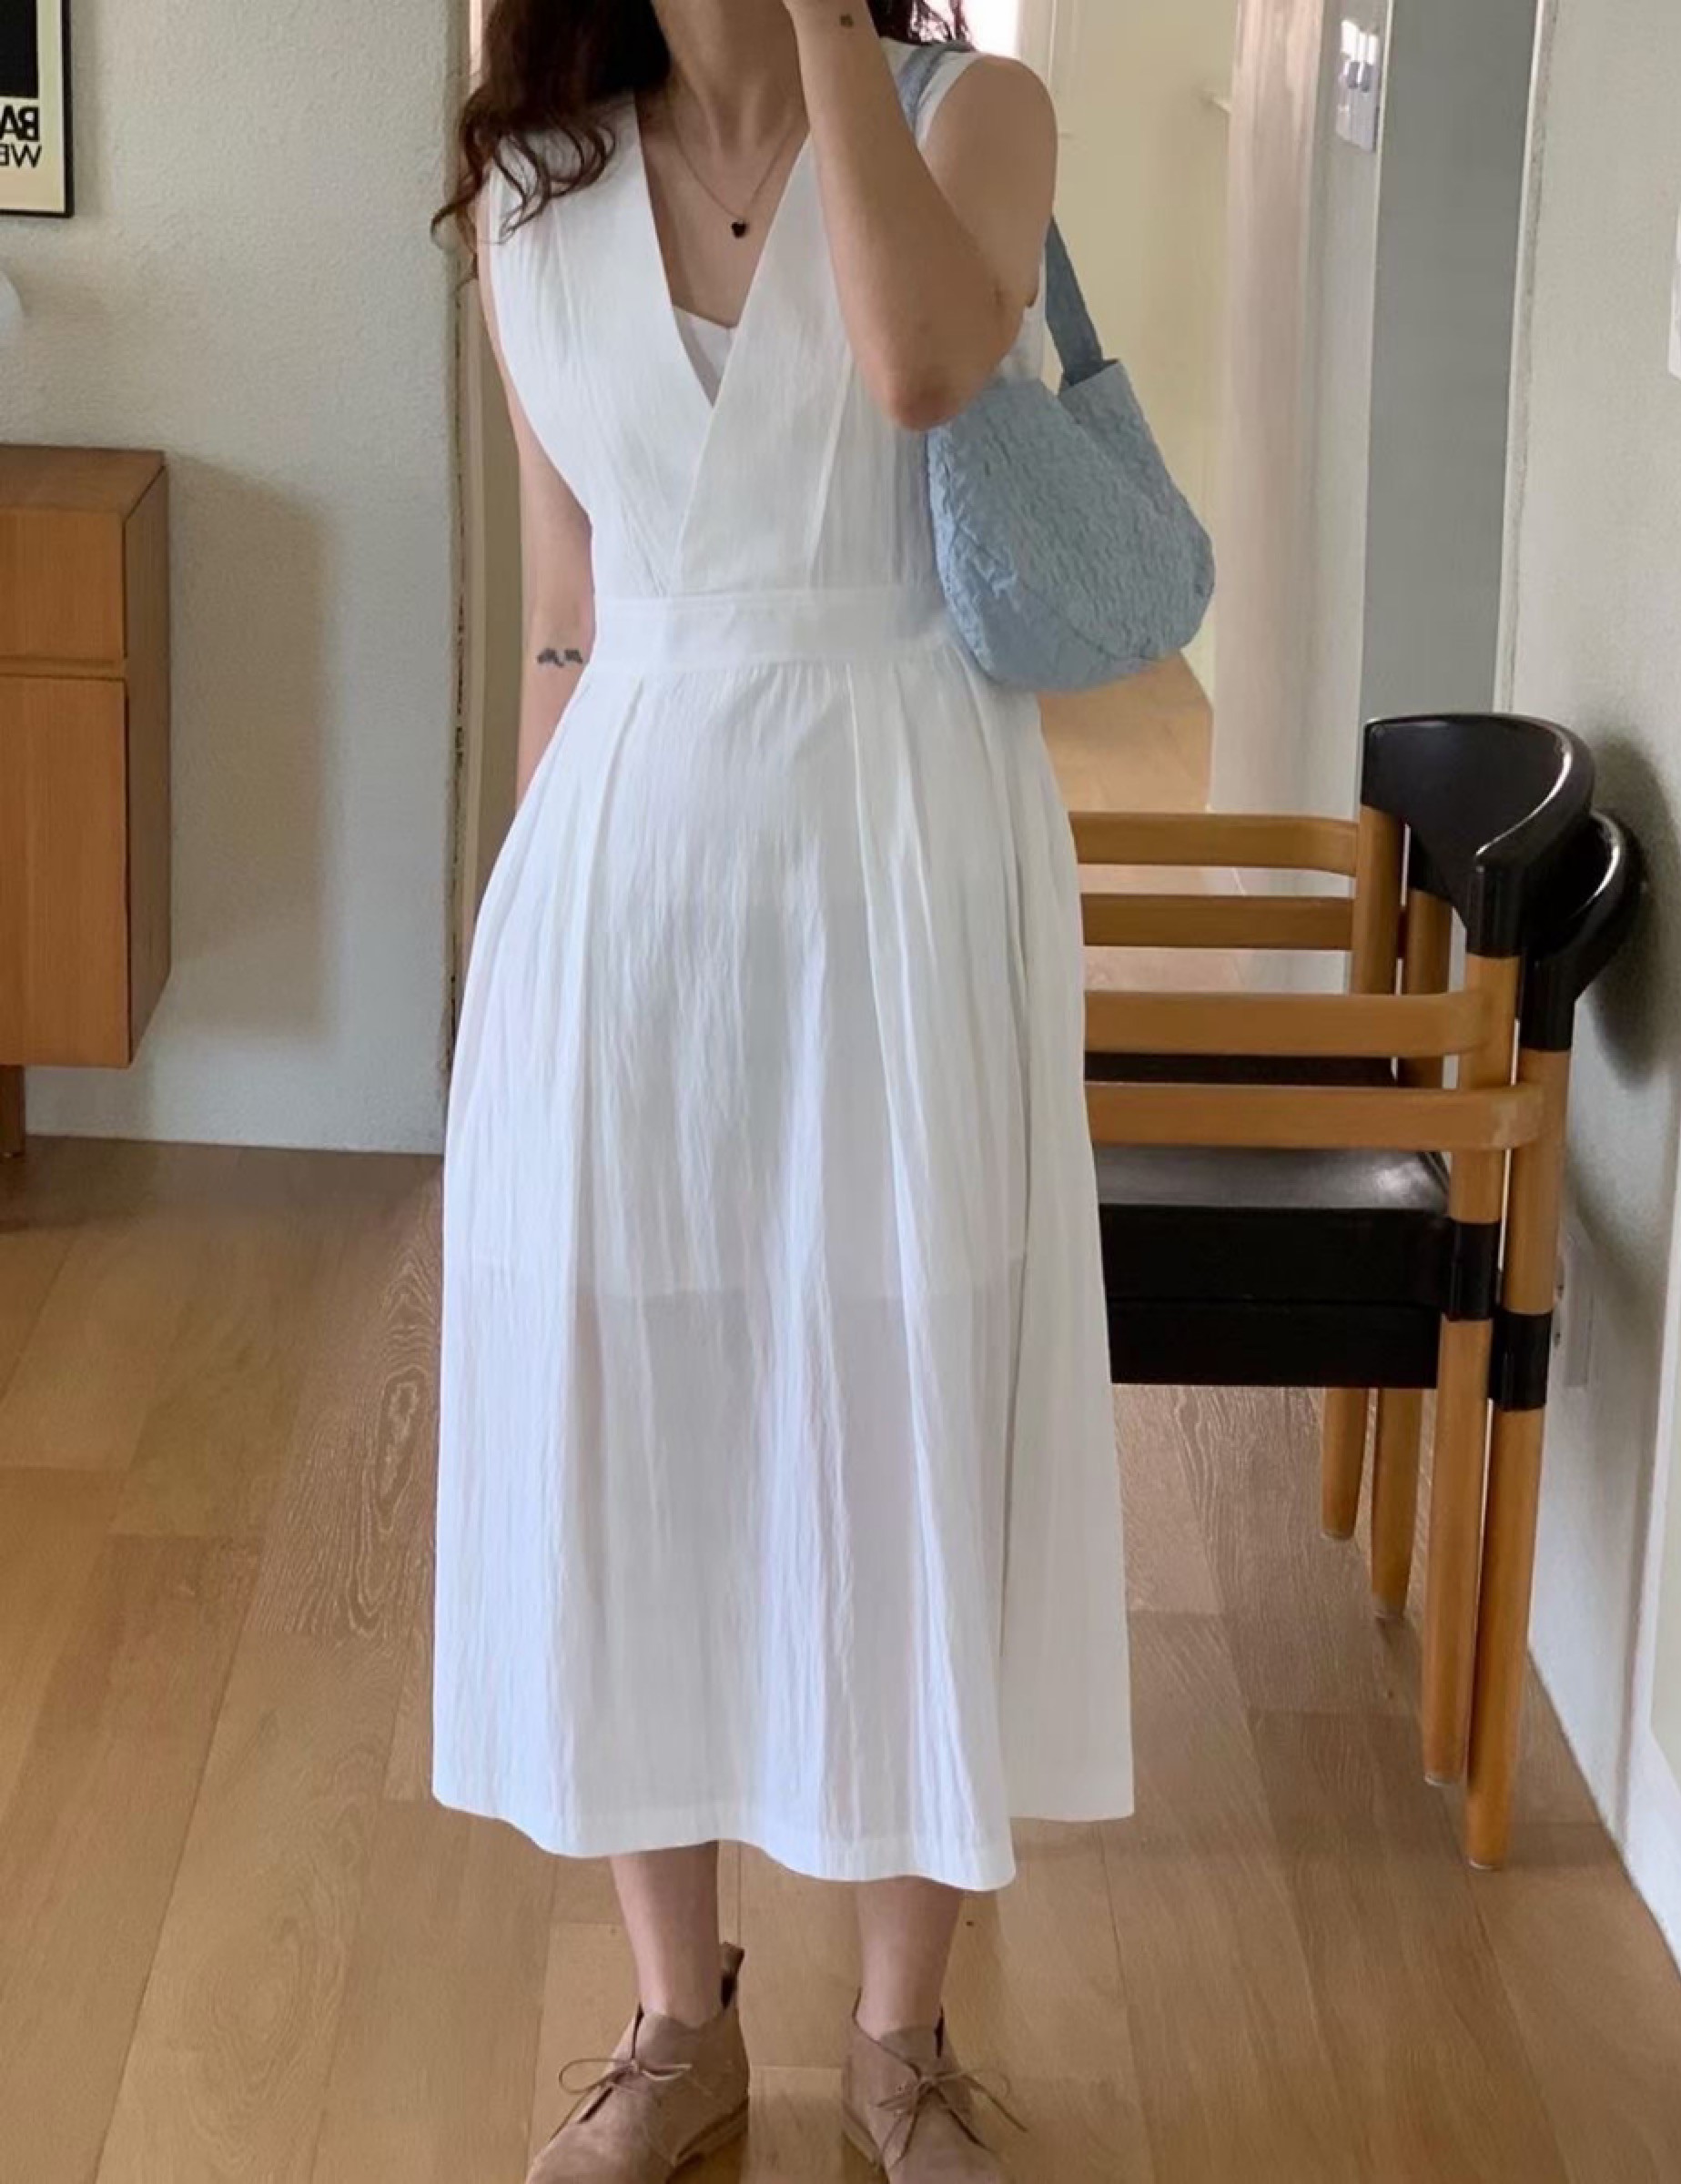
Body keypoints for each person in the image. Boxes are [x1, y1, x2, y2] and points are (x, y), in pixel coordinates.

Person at [431, 4, 1131, 2176]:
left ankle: (901, 2040)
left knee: (911, 1392)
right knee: (628, 1406)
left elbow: (915, 368)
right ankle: (677, 2020)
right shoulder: (534, 187)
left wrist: (833, 28)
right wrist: (523, 951)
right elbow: (565, 602)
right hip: (627, 874)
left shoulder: (974, 114)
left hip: (905, 854)